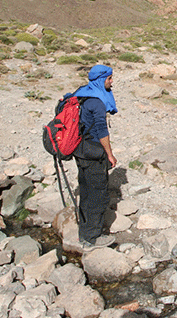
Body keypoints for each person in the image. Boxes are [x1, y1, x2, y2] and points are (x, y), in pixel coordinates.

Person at [71, 64, 118, 248]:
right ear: (101, 79)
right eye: (109, 78)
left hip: (78, 150)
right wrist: (110, 154)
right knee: (98, 194)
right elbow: (101, 131)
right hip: (93, 152)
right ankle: (93, 238)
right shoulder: (97, 101)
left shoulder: (80, 93)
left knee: (85, 190)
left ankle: (83, 231)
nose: (112, 81)